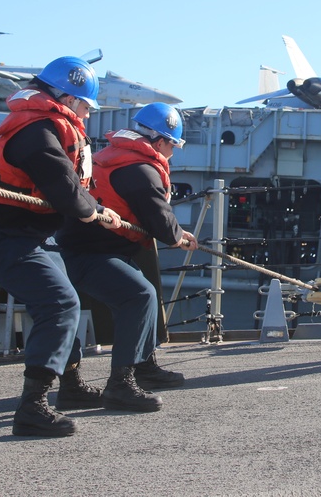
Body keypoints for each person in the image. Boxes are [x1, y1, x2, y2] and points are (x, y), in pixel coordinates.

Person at [0, 56, 122, 438]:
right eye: (85, 105)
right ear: (66, 99)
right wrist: (98, 212)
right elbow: (65, 189)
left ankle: (69, 385)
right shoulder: (37, 133)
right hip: (5, 237)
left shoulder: (45, 126)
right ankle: (33, 406)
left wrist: (94, 209)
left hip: (30, 234)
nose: (87, 114)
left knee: (62, 300)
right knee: (60, 303)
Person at [56, 102, 197, 412]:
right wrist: (178, 237)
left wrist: (173, 233)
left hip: (86, 246)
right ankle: (121, 384)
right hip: (91, 251)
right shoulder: (142, 169)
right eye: (172, 145)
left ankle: (144, 366)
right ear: (160, 141)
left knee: (135, 294)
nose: (172, 152)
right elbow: (159, 218)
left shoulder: (112, 156)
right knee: (140, 296)